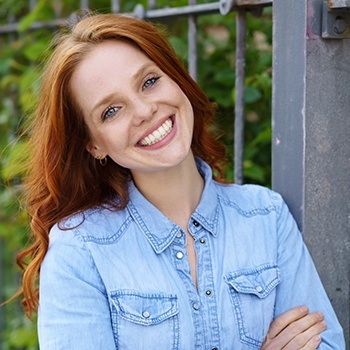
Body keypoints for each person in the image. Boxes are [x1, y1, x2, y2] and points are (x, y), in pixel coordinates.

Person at [15, 13, 344, 349]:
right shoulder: (81, 250)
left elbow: (327, 343)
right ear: (94, 144)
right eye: (111, 111)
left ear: (176, 77)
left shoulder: (266, 217)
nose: (144, 110)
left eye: (149, 82)